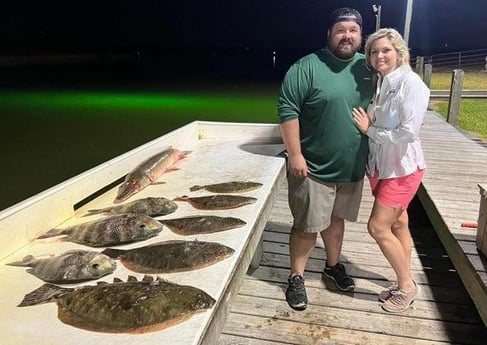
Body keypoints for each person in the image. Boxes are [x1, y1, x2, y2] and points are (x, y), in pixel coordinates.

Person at [277, 7, 373, 311]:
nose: (347, 35)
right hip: (312, 167)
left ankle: (332, 267)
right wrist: (295, 154)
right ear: (329, 34)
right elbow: (287, 110)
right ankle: (296, 277)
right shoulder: (306, 67)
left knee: (335, 221)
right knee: (306, 226)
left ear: (361, 36)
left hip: (352, 166)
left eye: (353, 30)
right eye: (340, 30)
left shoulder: (369, 67)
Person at [352, 28, 430, 313]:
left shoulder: (412, 84)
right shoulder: (382, 82)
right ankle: (402, 280)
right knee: (399, 224)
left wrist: (370, 131)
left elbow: (408, 133)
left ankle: (408, 287)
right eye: (374, 51)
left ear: (399, 52)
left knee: (377, 226)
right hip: (382, 167)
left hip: (402, 168)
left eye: (385, 50)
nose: (379, 55)